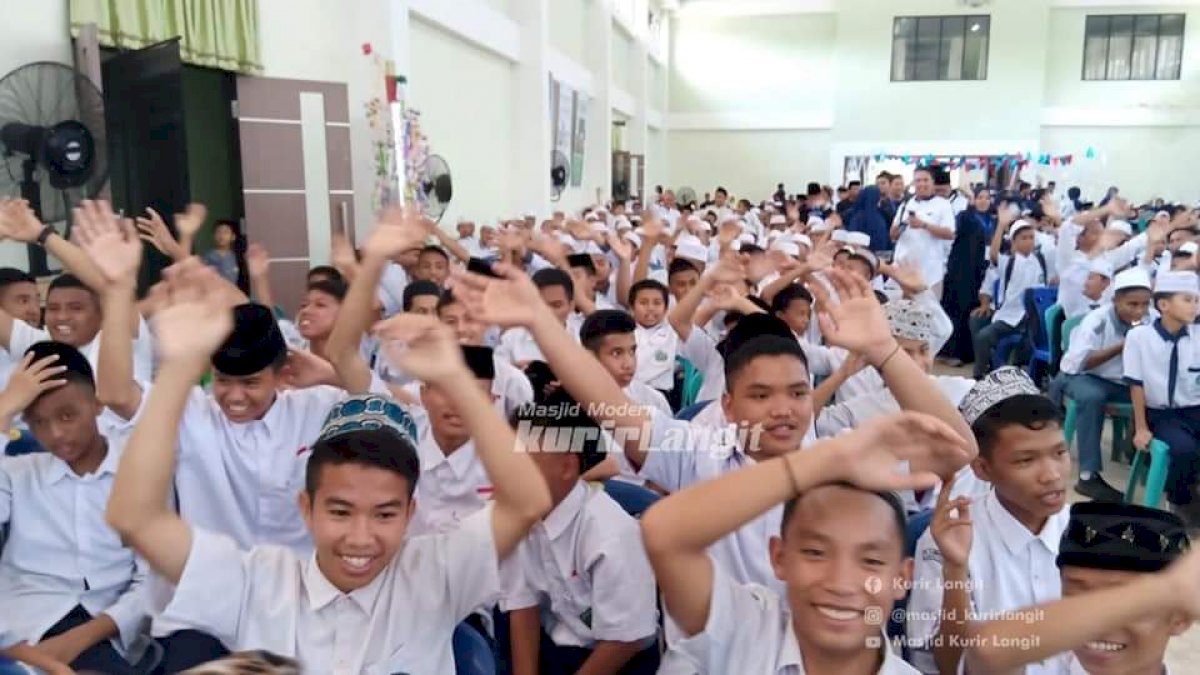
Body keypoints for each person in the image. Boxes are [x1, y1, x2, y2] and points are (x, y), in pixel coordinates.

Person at [103, 260, 553, 674]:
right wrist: (178, 367)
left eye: (384, 513)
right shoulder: (260, 584)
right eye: (340, 511)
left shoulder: (433, 574)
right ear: (306, 508)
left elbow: (529, 499)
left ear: (409, 513)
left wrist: (455, 377)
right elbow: (133, 516)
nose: (360, 537)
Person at [639, 411, 971, 674]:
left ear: (903, 577)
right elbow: (665, 534)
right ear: (779, 557)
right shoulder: (744, 631)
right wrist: (829, 458)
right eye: (815, 553)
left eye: (871, 561)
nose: (841, 584)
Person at [907, 367, 1071, 675]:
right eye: (1026, 460)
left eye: (1059, 453)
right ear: (982, 469)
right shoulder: (949, 540)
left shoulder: (1085, 533)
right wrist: (955, 569)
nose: (1052, 475)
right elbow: (944, 664)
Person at [0, 344, 149, 675]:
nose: (55, 434)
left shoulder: (139, 472)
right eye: (37, 422)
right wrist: (5, 408)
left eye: (67, 416)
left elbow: (152, 583)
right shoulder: (16, 474)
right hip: (24, 624)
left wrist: (77, 640)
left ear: (97, 403)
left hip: (105, 630)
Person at [500, 394, 660, 675]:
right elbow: (523, 607)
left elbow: (625, 640)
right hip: (559, 646)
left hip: (619, 660)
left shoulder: (608, 534)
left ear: (567, 466)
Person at [963, 501, 1194, 675]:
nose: (1096, 624)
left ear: (1180, 618)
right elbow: (987, 649)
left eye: (1120, 604)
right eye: (1078, 598)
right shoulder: (1038, 666)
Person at [1058, 269, 1153, 502]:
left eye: (1144, 304)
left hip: (1122, 381)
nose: (1139, 311)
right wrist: (1124, 345)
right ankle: (1088, 476)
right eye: (1132, 304)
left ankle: (1141, 453)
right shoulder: (1097, 321)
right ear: (1116, 300)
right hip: (1084, 376)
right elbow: (1081, 362)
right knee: (1091, 398)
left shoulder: (1151, 320)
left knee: (1160, 396)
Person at [1124, 270, 1200, 526]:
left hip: (1195, 409)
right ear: (1164, 305)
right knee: (1183, 449)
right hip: (1161, 413)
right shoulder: (1139, 337)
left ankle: (1193, 491)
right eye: (1187, 299)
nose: (1194, 306)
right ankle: (1180, 499)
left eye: (1197, 300)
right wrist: (1141, 427)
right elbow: (1136, 385)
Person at [971, 216, 1050, 379]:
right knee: (984, 336)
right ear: (1014, 241)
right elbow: (993, 255)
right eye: (1023, 238)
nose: (1029, 241)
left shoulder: (1040, 260)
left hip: (1033, 318)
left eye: (1031, 237)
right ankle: (980, 374)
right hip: (1010, 317)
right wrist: (1000, 226)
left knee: (1030, 346)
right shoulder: (1009, 262)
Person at [940, 189, 994, 367]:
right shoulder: (965, 216)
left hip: (980, 269)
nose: (983, 201)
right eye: (980, 197)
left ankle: (967, 351)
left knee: (971, 307)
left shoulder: (992, 221)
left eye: (987, 198)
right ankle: (952, 352)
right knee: (957, 309)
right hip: (961, 270)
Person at [889, 166, 956, 300]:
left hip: (931, 274)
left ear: (932, 182)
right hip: (903, 271)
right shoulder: (905, 204)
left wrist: (924, 225)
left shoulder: (943, 205)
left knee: (928, 316)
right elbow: (892, 235)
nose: (922, 184)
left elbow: (950, 234)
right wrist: (904, 224)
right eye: (918, 180)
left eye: (925, 180)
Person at [201, 220, 241, 286]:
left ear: (233, 237)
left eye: (226, 232)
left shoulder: (236, 256)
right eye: (218, 232)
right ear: (214, 236)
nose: (221, 235)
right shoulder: (209, 256)